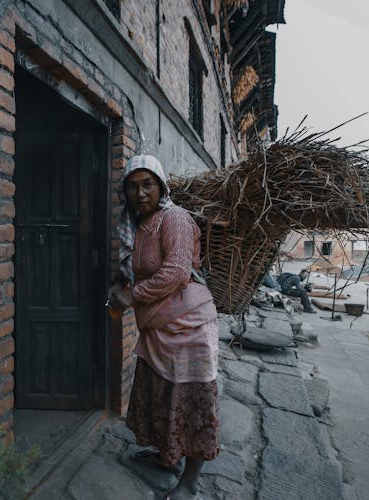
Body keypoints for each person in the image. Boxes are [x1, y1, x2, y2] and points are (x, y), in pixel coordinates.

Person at [107, 155, 219, 500]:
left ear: (161, 187)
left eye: (148, 184)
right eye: (133, 185)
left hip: (190, 326)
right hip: (157, 326)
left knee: (192, 400)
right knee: (161, 395)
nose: (140, 193)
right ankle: (167, 456)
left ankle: (190, 483)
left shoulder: (175, 219)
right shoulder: (137, 225)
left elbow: (175, 273)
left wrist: (130, 297)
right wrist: (119, 287)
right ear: (124, 191)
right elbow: (137, 270)